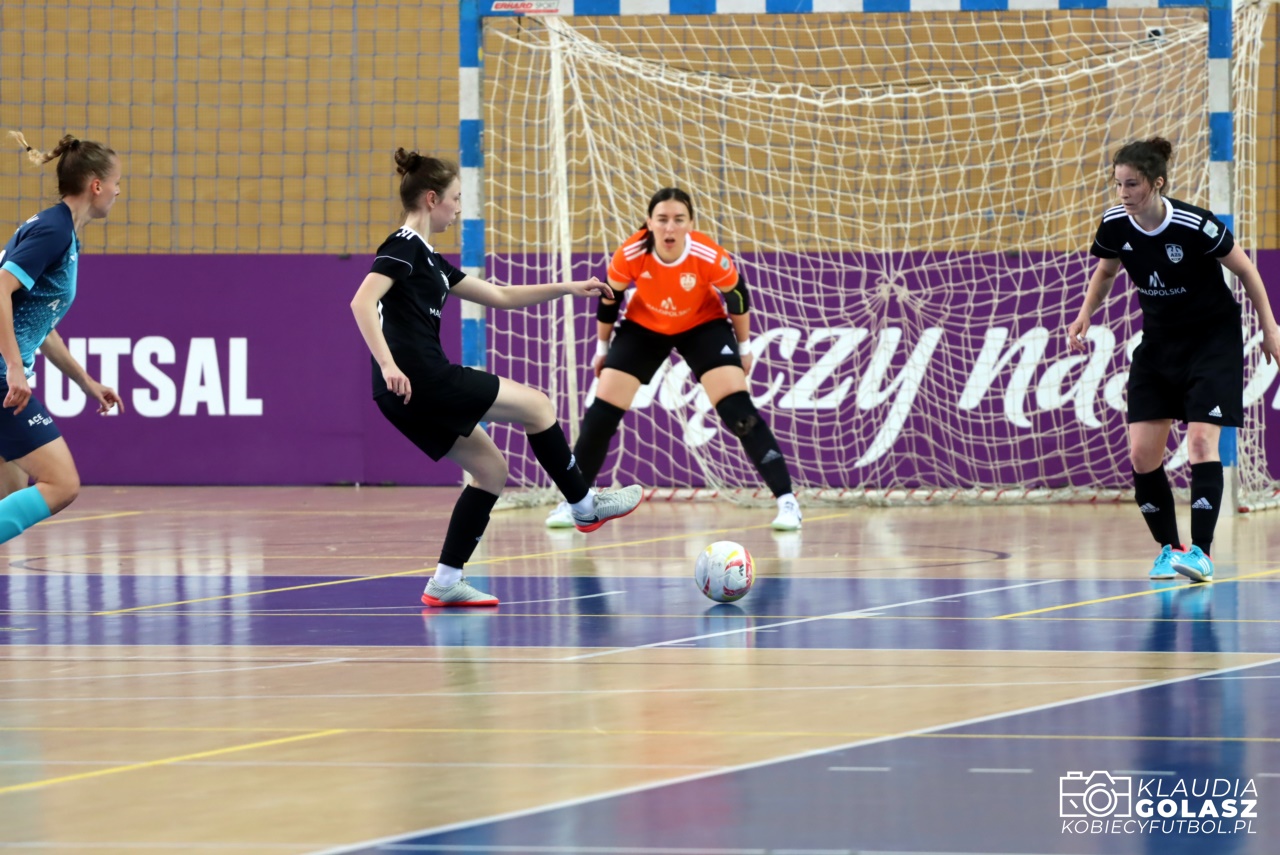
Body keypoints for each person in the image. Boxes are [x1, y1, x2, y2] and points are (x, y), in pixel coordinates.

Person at [351, 149, 643, 608]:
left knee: (490, 471)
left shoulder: (429, 259)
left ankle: (446, 580)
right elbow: (361, 302)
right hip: (421, 379)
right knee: (538, 406)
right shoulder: (403, 245)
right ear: (432, 199)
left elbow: (500, 296)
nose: (459, 207)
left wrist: (567, 287)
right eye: (455, 198)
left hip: (398, 395)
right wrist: (389, 364)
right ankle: (584, 505)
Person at [1068, 137, 1280, 583]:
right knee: (1142, 454)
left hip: (1212, 342)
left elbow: (1246, 270)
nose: (1123, 193)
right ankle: (1170, 550)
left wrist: (1271, 328)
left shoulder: (1194, 224)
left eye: (1132, 184)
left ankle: (1201, 552)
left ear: (1157, 183)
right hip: (1159, 344)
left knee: (1201, 443)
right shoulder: (1115, 224)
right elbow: (1106, 270)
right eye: (1118, 184)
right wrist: (1085, 312)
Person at [545, 187, 801, 531]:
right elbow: (609, 298)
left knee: (740, 414)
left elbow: (738, 296)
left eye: (679, 220)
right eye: (662, 219)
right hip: (644, 326)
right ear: (649, 222)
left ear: (690, 223)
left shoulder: (709, 255)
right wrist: (602, 349)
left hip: (702, 325)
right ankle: (574, 503)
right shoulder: (631, 252)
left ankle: (787, 503)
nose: (670, 227)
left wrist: (744, 347)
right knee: (600, 415)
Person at [0, 132, 125, 546]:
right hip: (2, 379)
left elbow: (40, 324)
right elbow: (0, 288)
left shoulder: (61, 231)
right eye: (116, 182)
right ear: (96, 186)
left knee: (10, 497)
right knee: (62, 484)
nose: (118, 191)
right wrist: (14, 367)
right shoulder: (53, 231)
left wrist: (86, 383)